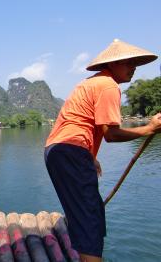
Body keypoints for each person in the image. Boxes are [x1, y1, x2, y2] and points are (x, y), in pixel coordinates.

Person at [44, 39, 161, 262]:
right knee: (89, 218)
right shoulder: (108, 86)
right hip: (69, 152)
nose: (133, 67)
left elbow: (77, 124)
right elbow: (111, 135)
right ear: (113, 64)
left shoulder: (91, 83)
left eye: (135, 63)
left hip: (59, 150)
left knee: (89, 212)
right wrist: (149, 128)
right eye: (128, 62)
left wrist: (89, 156)